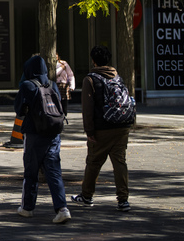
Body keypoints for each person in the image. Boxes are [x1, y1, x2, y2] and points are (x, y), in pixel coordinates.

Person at [72, 46, 134, 212]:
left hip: (102, 128)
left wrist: (89, 131)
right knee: (120, 163)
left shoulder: (90, 79)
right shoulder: (117, 77)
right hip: (122, 127)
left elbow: (87, 108)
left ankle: (87, 195)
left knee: (94, 162)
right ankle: (123, 200)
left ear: (93, 60)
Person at [15, 54, 71, 224]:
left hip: (34, 134)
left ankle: (27, 208)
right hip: (53, 134)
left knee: (31, 172)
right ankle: (62, 208)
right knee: (54, 172)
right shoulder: (52, 84)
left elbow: (19, 110)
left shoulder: (27, 85)